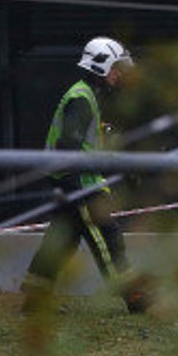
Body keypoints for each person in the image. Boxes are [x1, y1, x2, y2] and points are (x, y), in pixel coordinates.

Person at [21, 36, 152, 315]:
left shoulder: (86, 95)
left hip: (72, 179)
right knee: (107, 235)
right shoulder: (81, 98)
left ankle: (35, 298)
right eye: (116, 68)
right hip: (78, 182)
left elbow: (88, 146)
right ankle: (134, 296)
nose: (119, 75)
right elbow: (69, 146)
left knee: (61, 239)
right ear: (101, 66)